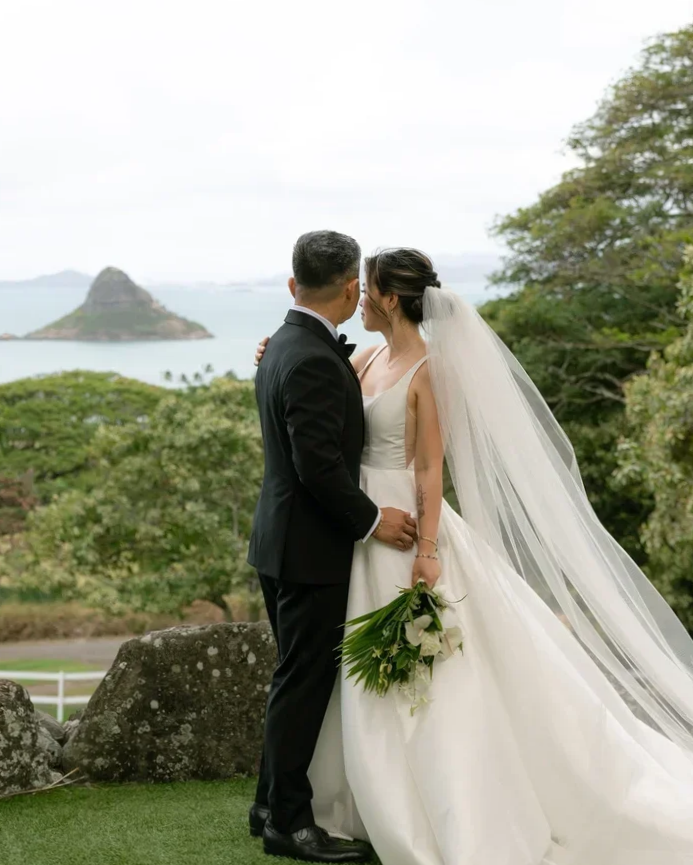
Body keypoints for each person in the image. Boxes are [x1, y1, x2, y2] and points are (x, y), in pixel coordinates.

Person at [254, 246, 693, 865]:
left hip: (401, 527)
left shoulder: (430, 371)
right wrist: (275, 356)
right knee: (338, 670)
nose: (359, 297)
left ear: (388, 299)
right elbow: (316, 394)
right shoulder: (366, 356)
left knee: (429, 678)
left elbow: (430, 467)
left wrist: (428, 549)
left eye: (368, 288)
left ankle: (428, 798)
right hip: (355, 528)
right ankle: (332, 798)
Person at [248, 230, 418, 863]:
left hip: (279, 540)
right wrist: (373, 521)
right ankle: (290, 824)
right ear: (350, 289)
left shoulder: (282, 345)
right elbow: (317, 467)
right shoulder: (312, 357)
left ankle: (267, 805)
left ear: (294, 285)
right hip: (310, 549)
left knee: (292, 677)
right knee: (303, 683)